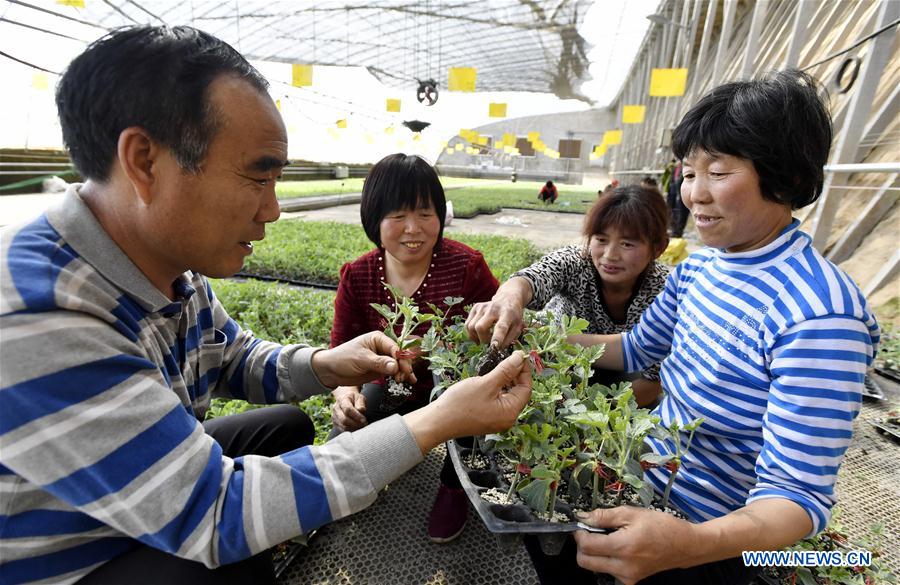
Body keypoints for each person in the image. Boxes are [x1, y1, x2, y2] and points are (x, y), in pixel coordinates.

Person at [0, 26, 532, 585]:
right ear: (144, 160)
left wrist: (328, 365)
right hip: (69, 553)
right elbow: (214, 512)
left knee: (282, 427)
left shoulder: (169, 268)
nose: (274, 209)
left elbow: (232, 357)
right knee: (229, 545)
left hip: (132, 493)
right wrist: (439, 421)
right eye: (259, 175)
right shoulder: (39, 313)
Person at [466, 69, 879, 585]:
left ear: (788, 177)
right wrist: (534, 333)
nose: (694, 195)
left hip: (714, 538)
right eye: (688, 172)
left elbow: (796, 499)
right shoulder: (700, 270)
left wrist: (689, 546)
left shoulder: (820, 315)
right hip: (638, 480)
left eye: (719, 173)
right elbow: (634, 350)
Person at [328, 153, 499, 544]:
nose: (413, 229)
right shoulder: (358, 276)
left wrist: (445, 348)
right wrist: (345, 393)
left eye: (425, 213)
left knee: (479, 413)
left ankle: (454, 485)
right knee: (346, 432)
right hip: (391, 385)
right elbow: (340, 348)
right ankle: (368, 469)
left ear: (440, 215)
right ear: (374, 219)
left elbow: (496, 335)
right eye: (398, 215)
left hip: (457, 389)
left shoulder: (466, 267)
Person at [477, 184, 669, 408]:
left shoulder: (666, 291)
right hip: (556, 365)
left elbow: (653, 382)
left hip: (622, 386)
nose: (610, 255)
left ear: (658, 248)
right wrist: (509, 299)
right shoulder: (577, 261)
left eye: (627, 244)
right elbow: (532, 278)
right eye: (601, 239)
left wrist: (585, 414)